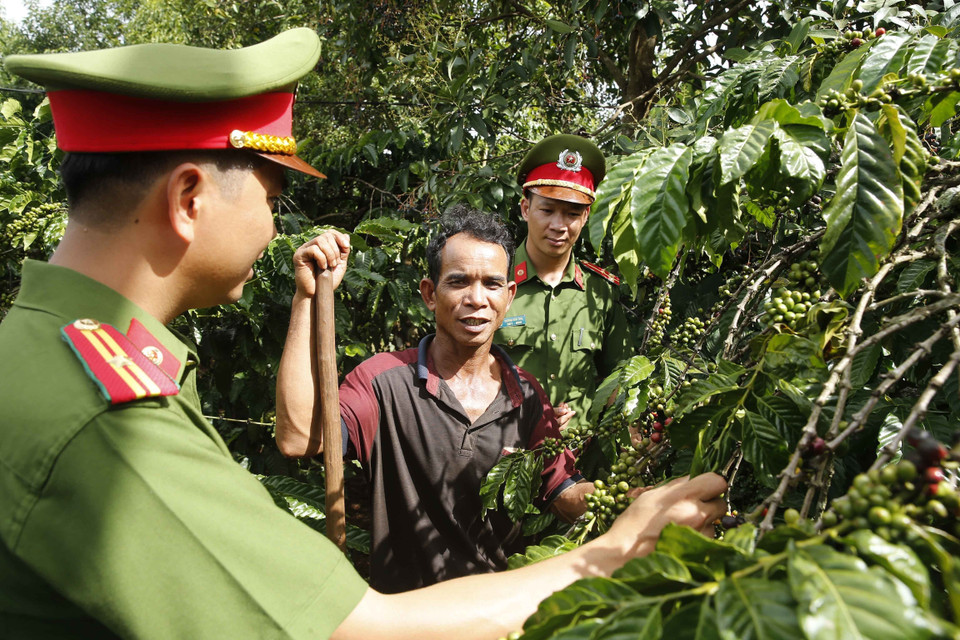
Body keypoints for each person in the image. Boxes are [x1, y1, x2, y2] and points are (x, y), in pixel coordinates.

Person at [0, 30, 726, 640]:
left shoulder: (58, 357)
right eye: (271, 197)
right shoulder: (104, 414)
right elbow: (351, 627)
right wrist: (615, 552)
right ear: (190, 198)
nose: (270, 226)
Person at [276, 206, 593, 593]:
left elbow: (565, 493)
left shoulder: (525, 394)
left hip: (491, 616)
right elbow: (298, 438)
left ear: (508, 297)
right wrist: (306, 298)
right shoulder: (383, 381)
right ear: (430, 293)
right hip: (403, 619)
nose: (476, 299)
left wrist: (630, 500)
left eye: (492, 284)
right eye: (458, 282)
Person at [498, 134, 630, 433]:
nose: (558, 226)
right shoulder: (492, 282)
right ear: (525, 209)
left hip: (580, 463)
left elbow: (617, 379)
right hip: (502, 456)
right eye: (547, 210)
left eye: (572, 214)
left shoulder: (600, 292)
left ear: (585, 217)